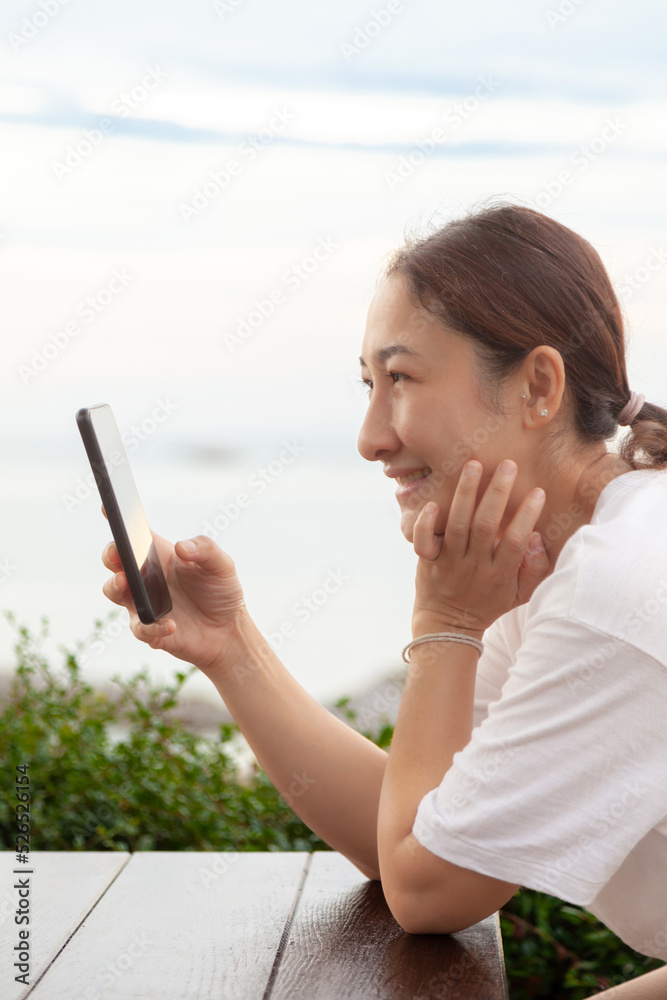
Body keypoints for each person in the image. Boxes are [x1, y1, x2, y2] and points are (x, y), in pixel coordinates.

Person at [102, 203, 667, 998]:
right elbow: (411, 833)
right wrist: (231, 647)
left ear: (538, 387)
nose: (370, 436)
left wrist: (445, 624)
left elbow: (427, 892)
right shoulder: (559, 563)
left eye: (399, 379)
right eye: (369, 384)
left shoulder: (615, 591)